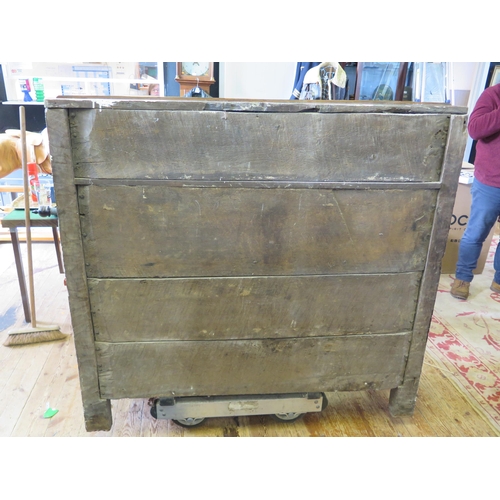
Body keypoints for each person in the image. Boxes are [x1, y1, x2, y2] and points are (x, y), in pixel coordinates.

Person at [451, 82, 500, 300]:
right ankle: (463, 278)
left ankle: (499, 280)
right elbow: (475, 129)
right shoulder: (492, 95)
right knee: (476, 233)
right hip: (491, 181)